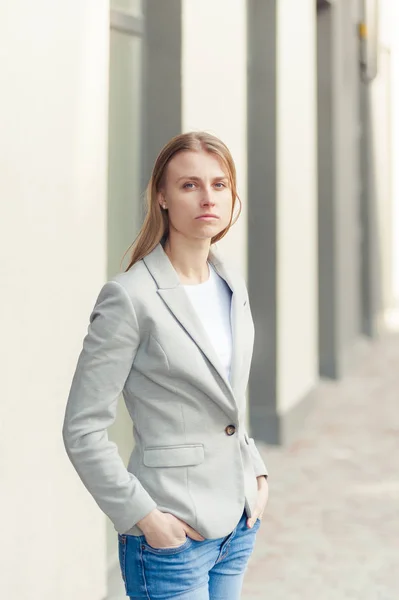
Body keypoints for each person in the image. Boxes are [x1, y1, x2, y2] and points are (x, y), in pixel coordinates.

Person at [62, 131, 269, 600]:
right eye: (189, 185)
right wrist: (145, 517)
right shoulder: (130, 297)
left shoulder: (230, 283)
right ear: (162, 197)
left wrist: (254, 471)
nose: (207, 197)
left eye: (219, 185)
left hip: (236, 525)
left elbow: (227, 401)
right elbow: (82, 427)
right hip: (171, 539)